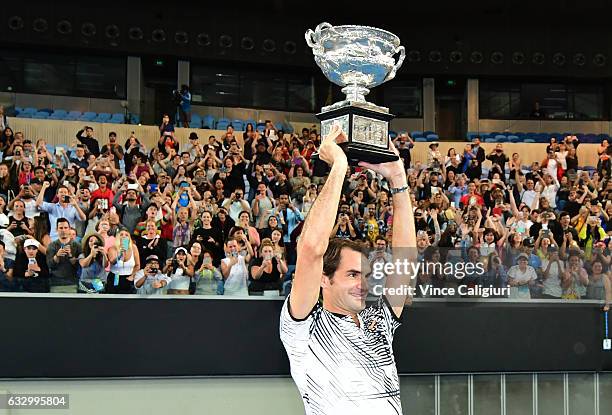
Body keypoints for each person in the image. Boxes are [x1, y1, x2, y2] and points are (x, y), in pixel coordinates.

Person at [280, 124, 415, 414]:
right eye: (352, 274)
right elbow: (311, 249)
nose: (363, 284)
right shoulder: (304, 328)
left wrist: (398, 181)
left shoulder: (378, 321)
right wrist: (339, 166)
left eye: (365, 275)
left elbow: (404, 263)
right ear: (324, 280)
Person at [46, 218, 82, 293]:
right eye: (61, 228)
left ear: (69, 229)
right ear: (56, 229)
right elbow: (49, 265)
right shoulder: (51, 246)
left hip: (72, 282)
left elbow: (79, 266)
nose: (63, 230)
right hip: (55, 283)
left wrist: (70, 256)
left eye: (65, 228)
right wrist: (57, 256)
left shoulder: (77, 246)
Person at [107, 227, 140, 294]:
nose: (124, 236)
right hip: (115, 277)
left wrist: (132, 276)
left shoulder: (134, 247)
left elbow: (137, 265)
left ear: (129, 238)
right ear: (118, 237)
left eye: (126, 235)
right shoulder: (112, 248)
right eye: (121, 234)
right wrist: (120, 255)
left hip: (129, 278)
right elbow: (112, 262)